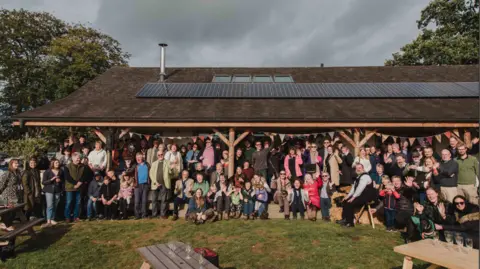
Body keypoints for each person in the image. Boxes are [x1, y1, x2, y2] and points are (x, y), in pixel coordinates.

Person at [337, 164, 377, 228]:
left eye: (360, 168)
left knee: (350, 203)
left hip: (367, 197)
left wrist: (352, 198)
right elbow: (353, 188)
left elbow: (360, 189)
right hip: (361, 195)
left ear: (363, 169)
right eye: (357, 168)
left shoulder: (365, 177)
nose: (358, 169)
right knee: (345, 201)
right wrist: (348, 196)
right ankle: (345, 219)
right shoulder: (358, 177)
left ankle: (350, 223)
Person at [149, 150, 175, 219]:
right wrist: (155, 182)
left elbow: (171, 174)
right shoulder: (154, 163)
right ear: (157, 156)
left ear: (163, 154)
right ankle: (154, 214)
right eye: (159, 155)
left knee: (164, 200)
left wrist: (172, 169)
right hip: (155, 184)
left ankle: (162, 214)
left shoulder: (168, 162)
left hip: (164, 184)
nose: (160, 156)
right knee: (154, 200)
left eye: (161, 154)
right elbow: (151, 174)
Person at [64, 152, 86, 223]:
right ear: (73, 158)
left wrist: (79, 183)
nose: (78, 159)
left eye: (79, 158)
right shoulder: (67, 166)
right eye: (77, 158)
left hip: (79, 187)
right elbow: (67, 177)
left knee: (78, 203)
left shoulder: (83, 166)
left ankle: (76, 217)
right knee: (69, 202)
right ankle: (67, 217)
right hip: (70, 187)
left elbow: (85, 175)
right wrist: (75, 183)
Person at [0, 159, 22, 231]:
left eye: (18, 163)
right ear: (11, 164)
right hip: (7, 195)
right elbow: (1, 184)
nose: (17, 164)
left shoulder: (17, 172)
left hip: (15, 195)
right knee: (8, 212)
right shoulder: (8, 173)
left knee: (13, 211)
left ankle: (6, 224)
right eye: (15, 163)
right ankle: (7, 225)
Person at [42, 159, 64, 226]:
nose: (58, 164)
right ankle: (48, 220)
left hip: (57, 190)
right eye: (56, 163)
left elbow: (63, 180)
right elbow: (43, 182)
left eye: (58, 162)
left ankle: (52, 219)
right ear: (52, 163)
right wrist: (52, 179)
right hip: (49, 191)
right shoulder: (47, 171)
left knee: (55, 205)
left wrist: (59, 180)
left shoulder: (61, 171)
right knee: (50, 205)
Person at [133, 152, 150, 219]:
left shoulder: (147, 165)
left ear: (142, 157)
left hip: (145, 184)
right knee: (137, 201)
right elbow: (130, 171)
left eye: (139, 157)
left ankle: (144, 215)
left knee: (144, 200)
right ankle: (137, 215)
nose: (138, 159)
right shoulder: (135, 166)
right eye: (137, 158)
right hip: (137, 185)